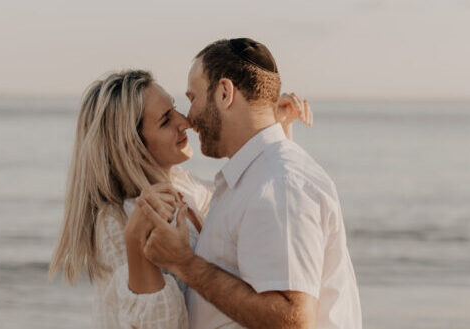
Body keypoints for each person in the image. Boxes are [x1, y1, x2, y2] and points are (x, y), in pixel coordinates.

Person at [48, 69, 311, 328]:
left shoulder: (185, 188)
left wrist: (273, 128)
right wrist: (135, 242)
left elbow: (251, 204)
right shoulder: (118, 221)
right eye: (165, 120)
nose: (184, 121)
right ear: (132, 147)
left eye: (174, 108)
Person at [137, 38, 362, 329]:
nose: (190, 119)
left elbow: (292, 320)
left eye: (193, 98)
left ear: (224, 92)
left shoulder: (278, 182)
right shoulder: (257, 178)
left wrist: (184, 263)